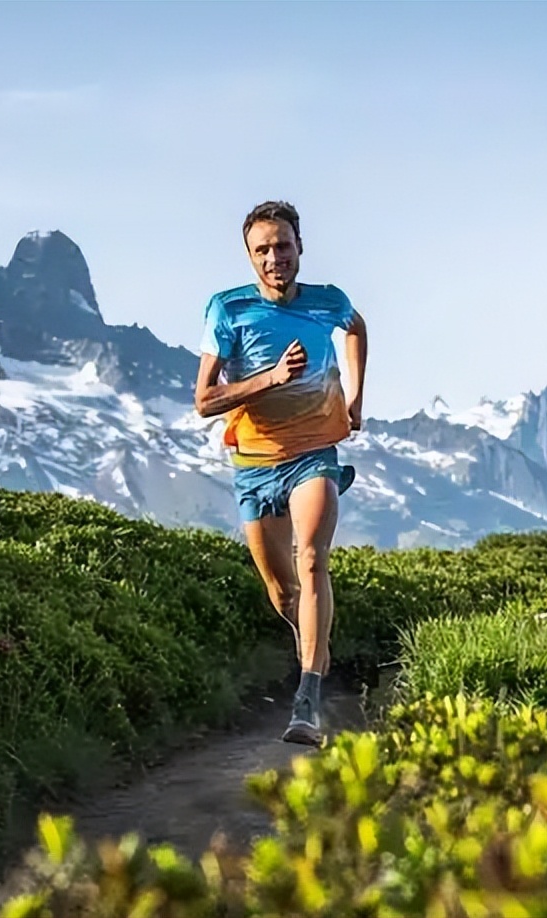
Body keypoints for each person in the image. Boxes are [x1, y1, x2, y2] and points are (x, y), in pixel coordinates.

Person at [194, 201, 368, 746]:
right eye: (263, 250)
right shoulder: (227, 310)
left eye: (283, 246)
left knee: (313, 559)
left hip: (314, 452)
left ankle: (307, 700)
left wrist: (356, 398)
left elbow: (357, 327)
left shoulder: (328, 303)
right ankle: (313, 645)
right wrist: (268, 379)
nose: (275, 258)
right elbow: (205, 401)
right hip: (254, 466)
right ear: (249, 257)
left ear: (300, 247)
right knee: (282, 592)